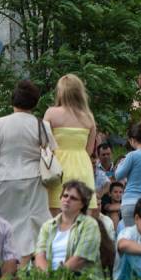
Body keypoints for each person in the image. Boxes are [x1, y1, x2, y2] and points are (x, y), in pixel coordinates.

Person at [0, 81, 55, 263]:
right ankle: (37, 262)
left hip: (5, 177)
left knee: (6, 223)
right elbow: (50, 153)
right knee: (35, 223)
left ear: (13, 100)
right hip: (35, 178)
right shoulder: (42, 125)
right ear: (35, 102)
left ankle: (8, 263)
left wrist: (0, 170)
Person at [43, 74, 97, 213]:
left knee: (57, 222)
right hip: (83, 169)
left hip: (57, 170)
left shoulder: (51, 113)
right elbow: (89, 151)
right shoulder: (89, 117)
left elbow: (44, 145)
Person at [34, 180, 103, 277]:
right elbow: (40, 255)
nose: (67, 199)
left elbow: (80, 259)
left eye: (73, 198)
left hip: (80, 279)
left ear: (82, 204)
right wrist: (45, 276)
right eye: (65, 196)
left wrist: (55, 277)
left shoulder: (90, 225)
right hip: (48, 278)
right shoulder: (47, 225)